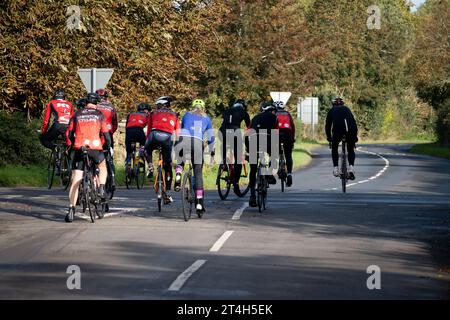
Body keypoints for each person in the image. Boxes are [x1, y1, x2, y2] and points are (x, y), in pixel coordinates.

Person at [65, 93, 112, 223]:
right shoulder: (99, 115)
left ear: (86, 102)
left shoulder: (77, 114)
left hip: (80, 148)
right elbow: (106, 135)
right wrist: (108, 147)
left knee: (76, 180)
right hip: (95, 148)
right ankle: (101, 187)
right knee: (102, 167)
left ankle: (71, 210)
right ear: (97, 103)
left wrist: (74, 144)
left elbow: (69, 134)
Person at [174, 99, 214, 213]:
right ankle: (199, 203)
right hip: (197, 143)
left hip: (183, 140)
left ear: (193, 107)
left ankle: (178, 173)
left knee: (180, 160)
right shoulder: (207, 118)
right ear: (203, 108)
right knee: (198, 173)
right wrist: (212, 150)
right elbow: (210, 137)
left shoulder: (187, 114)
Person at [145, 96, 180, 204]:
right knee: (168, 165)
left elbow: (149, 130)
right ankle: (168, 193)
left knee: (146, 149)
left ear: (160, 104)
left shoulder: (153, 113)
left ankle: (150, 165)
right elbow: (178, 133)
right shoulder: (174, 115)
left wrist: (147, 143)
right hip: (167, 138)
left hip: (154, 135)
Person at [246, 102, 278, 208]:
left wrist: (248, 149)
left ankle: (252, 196)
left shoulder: (255, 117)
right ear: (270, 110)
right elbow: (276, 133)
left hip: (253, 141)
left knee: (253, 169)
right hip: (268, 140)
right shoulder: (274, 117)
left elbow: (248, 132)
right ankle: (269, 173)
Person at [219, 99, 251, 195]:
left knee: (223, 144)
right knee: (238, 159)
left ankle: (224, 162)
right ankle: (236, 183)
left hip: (222, 132)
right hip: (235, 132)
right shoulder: (244, 112)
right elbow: (249, 126)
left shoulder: (227, 110)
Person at [325, 97, 358, 180]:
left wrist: (329, 138)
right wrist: (355, 137)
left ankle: (335, 168)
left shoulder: (331, 110)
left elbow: (328, 126)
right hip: (350, 129)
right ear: (343, 104)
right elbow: (354, 123)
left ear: (333, 104)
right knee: (350, 148)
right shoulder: (347, 109)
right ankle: (351, 168)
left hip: (337, 130)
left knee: (334, 147)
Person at [274, 101, 296, 187]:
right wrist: (293, 138)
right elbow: (293, 126)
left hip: (277, 134)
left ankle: (278, 167)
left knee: (274, 153)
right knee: (288, 155)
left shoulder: (274, 113)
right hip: (288, 134)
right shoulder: (287, 114)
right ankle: (289, 174)